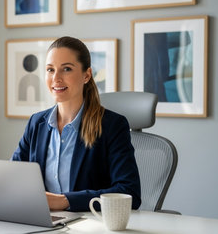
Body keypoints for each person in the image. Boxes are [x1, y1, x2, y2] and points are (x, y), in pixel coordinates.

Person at [11, 36, 141, 212]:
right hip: (43, 221)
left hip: (89, 225)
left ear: (86, 75)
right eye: (50, 70)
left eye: (66, 69)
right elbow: (12, 177)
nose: (56, 78)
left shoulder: (112, 126)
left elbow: (129, 193)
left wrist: (65, 201)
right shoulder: (37, 123)